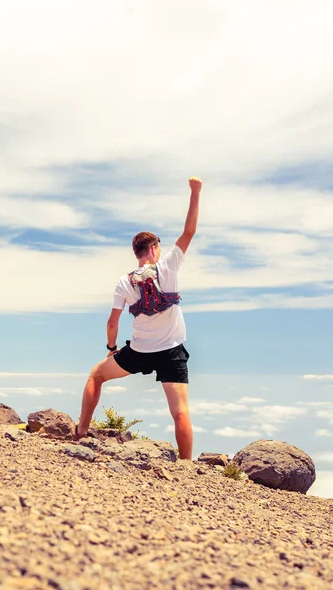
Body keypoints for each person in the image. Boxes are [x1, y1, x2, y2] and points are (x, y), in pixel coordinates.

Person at [75, 177, 202, 459]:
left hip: (139, 352)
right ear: (155, 250)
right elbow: (190, 231)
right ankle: (186, 467)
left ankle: (82, 432)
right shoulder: (168, 266)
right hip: (171, 353)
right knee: (180, 412)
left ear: (137, 254)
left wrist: (111, 350)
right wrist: (195, 192)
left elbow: (112, 322)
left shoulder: (123, 282)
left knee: (96, 376)